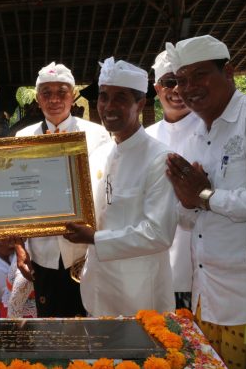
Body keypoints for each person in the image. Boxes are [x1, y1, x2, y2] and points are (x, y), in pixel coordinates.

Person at [164, 35, 246, 369]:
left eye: (199, 75)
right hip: (205, 297)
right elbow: (190, 220)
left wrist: (206, 197)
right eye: (181, 80)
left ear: (228, 72)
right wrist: (187, 202)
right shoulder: (197, 135)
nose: (188, 88)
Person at [65, 57, 177, 317]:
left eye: (120, 98)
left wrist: (94, 238)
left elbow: (158, 233)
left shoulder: (159, 158)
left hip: (140, 292)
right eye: (104, 97)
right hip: (98, 286)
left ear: (140, 104)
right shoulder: (99, 154)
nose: (108, 106)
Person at [14, 61, 110, 317]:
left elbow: (104, 193)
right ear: (37, 98)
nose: (54, 99)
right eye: (46, 93)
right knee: (50, 321)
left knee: (87, 319)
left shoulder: (97, 135)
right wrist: (19, 246)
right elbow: (18, 198)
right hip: (42, 249)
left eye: (62, 92)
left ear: (73, 95)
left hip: (84, 250)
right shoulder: (23, 138)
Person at [146, 51, 201, 310]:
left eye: (182, 81)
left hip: (200, 259)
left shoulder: (209, 130)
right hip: (154, 257)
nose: (177, 90)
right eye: (169, 82)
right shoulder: (146, 138)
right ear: (157, 88)